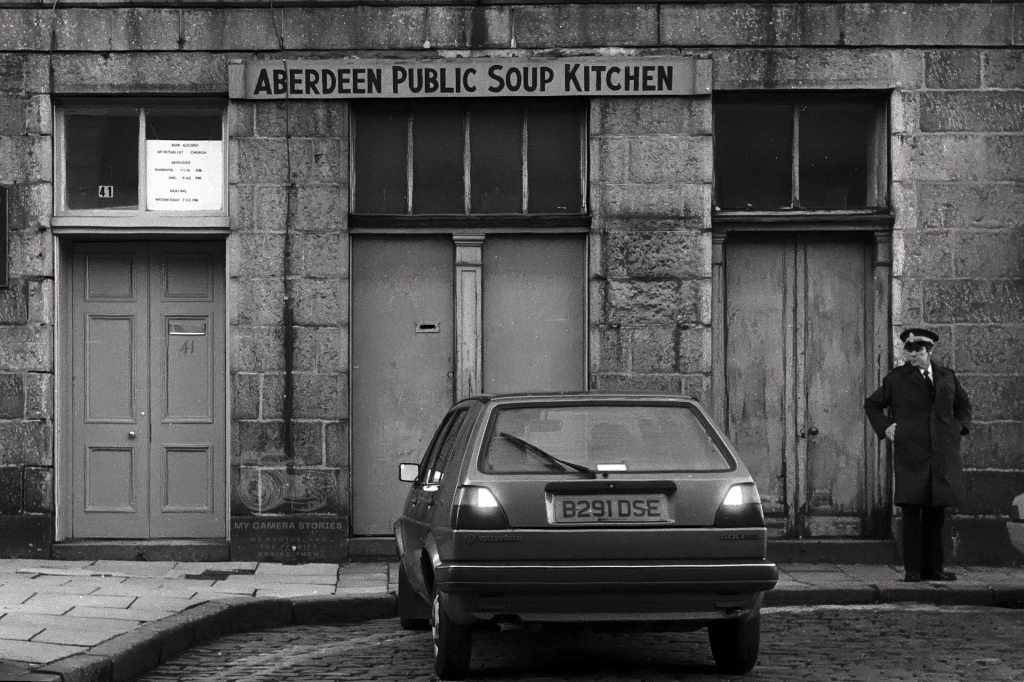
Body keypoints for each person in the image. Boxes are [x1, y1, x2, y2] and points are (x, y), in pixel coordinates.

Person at [864, 328, 972, 582]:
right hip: (911, 454)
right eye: (908, 351)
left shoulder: (947, 376)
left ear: (929, 352)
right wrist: (887, 426)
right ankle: (912, 571)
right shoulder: (896, 379)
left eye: (917, 352)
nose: (911, 356)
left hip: (942, 456)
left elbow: (963, 406)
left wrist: (958, 428)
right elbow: (872, 404)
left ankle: (935, 569)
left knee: (936, 514)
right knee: (912, 513)